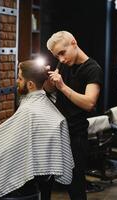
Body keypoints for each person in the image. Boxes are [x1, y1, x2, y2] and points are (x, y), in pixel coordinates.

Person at [0, 60, 74, 200]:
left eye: (20, 78)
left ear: (30, 84)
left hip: (30, 178)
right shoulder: (41, 106)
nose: (17, 81)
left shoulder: (30, 111)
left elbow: (12, 148)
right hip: (43, 178)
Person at [44, 31, 103, 200]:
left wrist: (62, 86)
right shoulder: (63, 65)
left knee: (75, 186)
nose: (61, 59)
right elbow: (49, 89)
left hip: (76, 136)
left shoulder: (93, 69)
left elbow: (89, 103)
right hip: (57, 132)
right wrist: (47, 80)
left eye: (62, 53)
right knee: (45, 180)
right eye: (57, 56)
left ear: (73, 43)